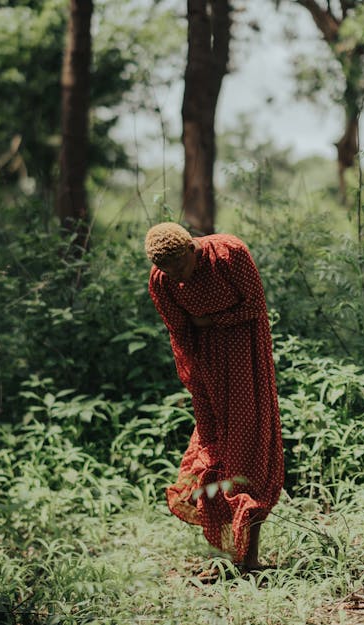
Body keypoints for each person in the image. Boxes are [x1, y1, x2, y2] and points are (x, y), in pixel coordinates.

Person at [145, 222, 284, 573]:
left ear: (192, 248)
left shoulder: (229, 253)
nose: (178, 277)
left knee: (246, 450)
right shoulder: (161, 280)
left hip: (245, 360)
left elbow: (255, 307)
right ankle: (225, 556)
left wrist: (210, 322)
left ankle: (248, 560)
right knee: (212, 451)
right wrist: (197, 383)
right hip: (206, 369)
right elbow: (180, 332)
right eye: (167, 270)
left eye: (180, 266)